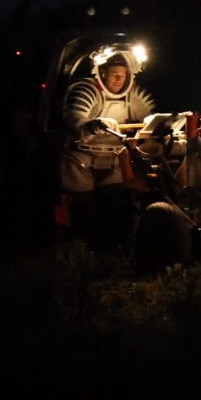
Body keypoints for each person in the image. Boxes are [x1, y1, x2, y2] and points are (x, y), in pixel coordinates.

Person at [60, 45, 154, 251]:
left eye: (122, 75)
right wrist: (93, 125)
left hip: (114, 160)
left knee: (116, 208)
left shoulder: (135, 95)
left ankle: (112, 252)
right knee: (81, 211)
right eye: (114, 74)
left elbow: (151, 120)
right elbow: (75, 122)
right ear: (102, 73)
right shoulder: (85, 89)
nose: (119, 80)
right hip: (80, 160)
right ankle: (77, 254)